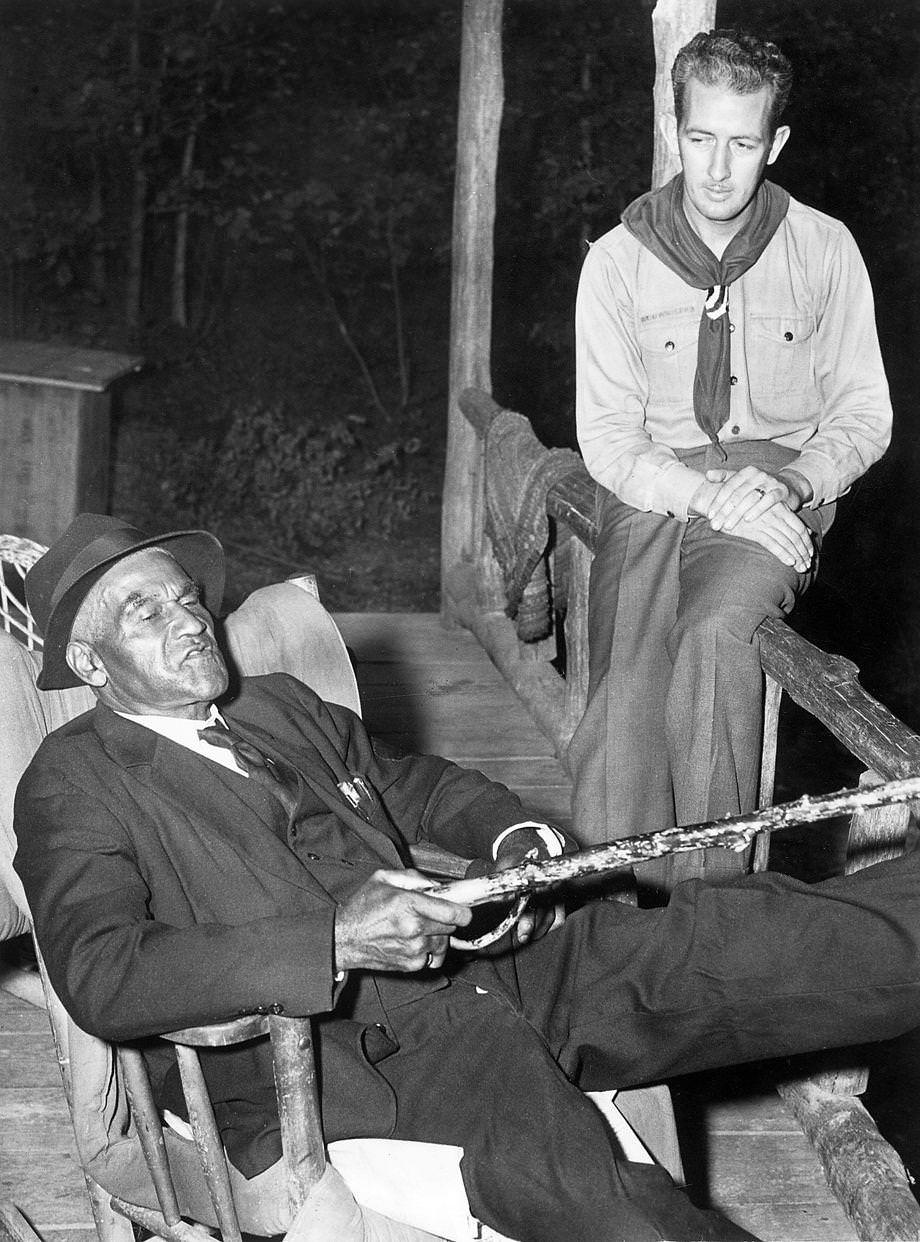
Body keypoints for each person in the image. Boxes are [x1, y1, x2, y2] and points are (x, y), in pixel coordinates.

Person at [13, 514, 920, 1242]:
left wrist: (518, 835)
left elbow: (416, 784)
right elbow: (103, 971)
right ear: (92, 666)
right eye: (148, 613)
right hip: (355, 1062)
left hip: (503, 961)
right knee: (611, 1211)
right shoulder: (72, 780)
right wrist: (332, 940)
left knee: (774, 937)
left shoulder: (274, 705)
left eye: (186, 599)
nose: (189, 620)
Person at [568, 30, 892, 889]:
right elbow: (607, 437)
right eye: (701, 138)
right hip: (658, 493)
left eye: (742, 143)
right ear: (675, 129)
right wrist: (708, 497)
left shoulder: (824, 249)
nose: (718, 169)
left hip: (778, 491)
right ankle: (615, 902)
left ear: (775, 145)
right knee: (625, 700)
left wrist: (786, 484)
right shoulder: (616, 263)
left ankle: (713, 907)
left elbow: (864, 413)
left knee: (716, 635)